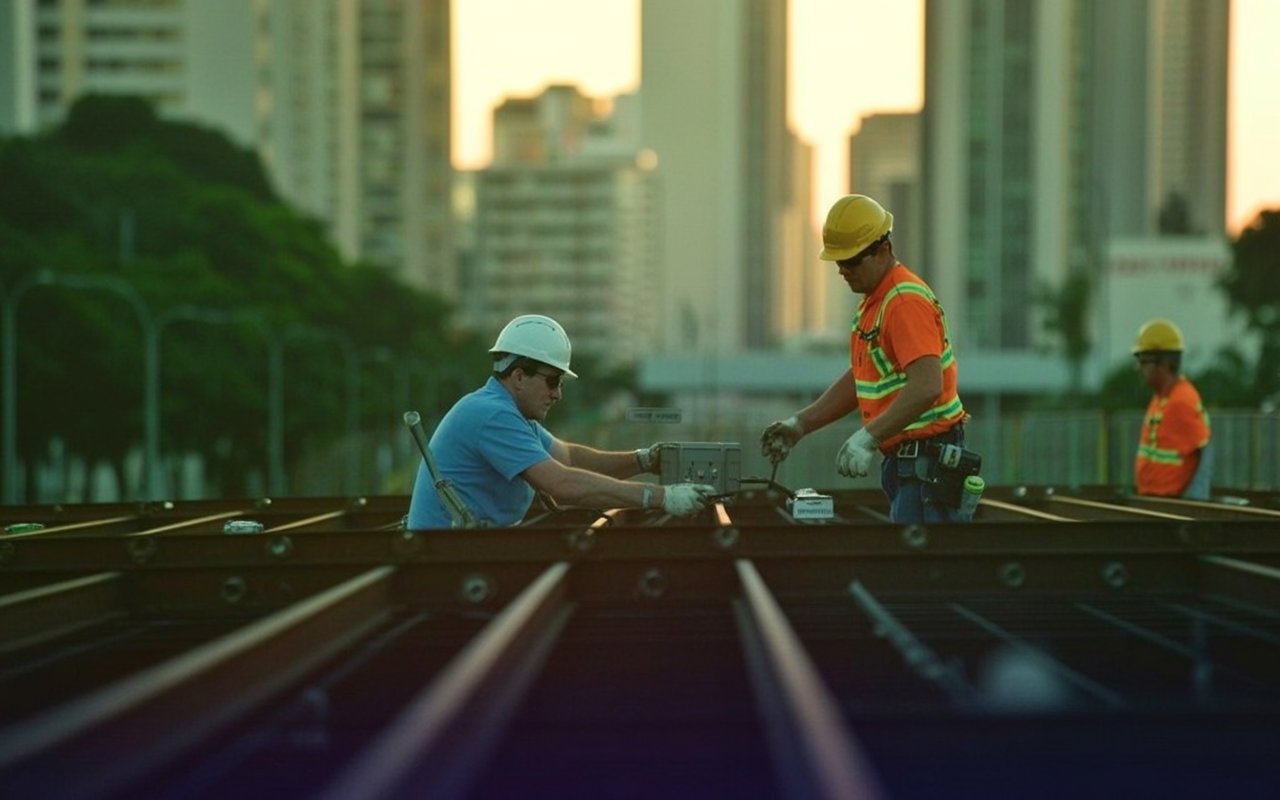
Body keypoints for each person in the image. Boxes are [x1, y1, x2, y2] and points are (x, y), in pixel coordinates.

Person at [760, 194, 976, 523]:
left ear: (883, 250)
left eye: (852, 261)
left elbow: (927, 386)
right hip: (912, 467)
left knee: (918, 568)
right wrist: (801, 423)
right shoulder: (876, 301)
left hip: (928, 467)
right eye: (838, 262)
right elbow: (863, 377)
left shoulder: (903, 302)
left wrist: (868, 436)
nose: (843, 271)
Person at [407, 314, 715, 528]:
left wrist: (644, 460)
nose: (558, 394)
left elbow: (569, 458)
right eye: (553, 381)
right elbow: (562, 484)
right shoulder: (492, 415)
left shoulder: (510, 413)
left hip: (466, 549)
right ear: (518, 377)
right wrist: (662, 497)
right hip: (447, 554)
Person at [1132, 318, 1212, 499]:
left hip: (1171, 504)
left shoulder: (1182, 401)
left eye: (1144, 361)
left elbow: (1205, 453)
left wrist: (1194, 507)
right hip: (1156, 500)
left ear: (1164, 365)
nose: (1138, 368)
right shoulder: (1161, 399)